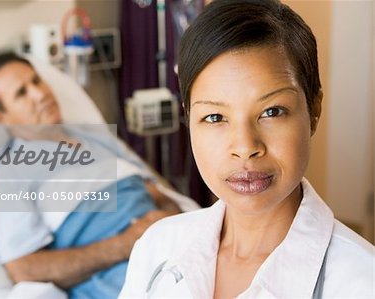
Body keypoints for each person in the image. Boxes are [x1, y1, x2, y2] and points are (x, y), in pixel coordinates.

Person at [119, 0, 375, 298]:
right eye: (215, 117)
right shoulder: (157, 247)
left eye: (272, 112)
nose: (244, 147)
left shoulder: (362, 282)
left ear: (313, 110)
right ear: (189, 120)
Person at [0, 52, 186, 299]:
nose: (40, 94)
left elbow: (158, 192)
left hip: (173, 251)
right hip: (123, 279)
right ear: (1, 117)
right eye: (21, 93)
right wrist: (125, 245)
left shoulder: (97, 138)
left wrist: (170, 225)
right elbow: (23, 268)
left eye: (37, 81)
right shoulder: (10, 174)